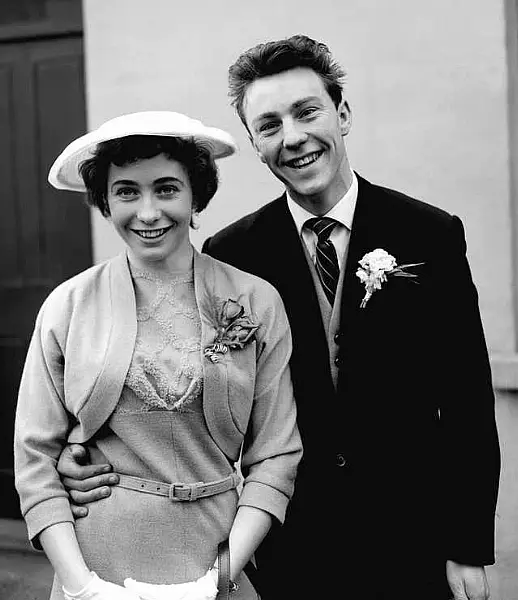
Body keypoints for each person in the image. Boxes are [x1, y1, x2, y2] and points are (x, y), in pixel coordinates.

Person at [56, 36, 500, 600]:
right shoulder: (232, 255)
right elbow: (185, 389)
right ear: (255, 144)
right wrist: (84, 452)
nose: (292, 138)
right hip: (287, 543)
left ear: (341, 114)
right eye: (268, 126)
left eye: (306, 112)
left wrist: (467, 543)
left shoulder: (430, 234)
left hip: (414, 537)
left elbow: (467, 400)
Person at [14, 111, 302, 600]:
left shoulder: (255, 301)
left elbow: (276, 454)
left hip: (213, 563)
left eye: (166, 189)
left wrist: (225, 572)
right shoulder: (67, 306)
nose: (147, 213)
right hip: (96, 563)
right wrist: (85, 589)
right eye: (126, 191)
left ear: (196, 197)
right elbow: (35, 463)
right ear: (105, 201)